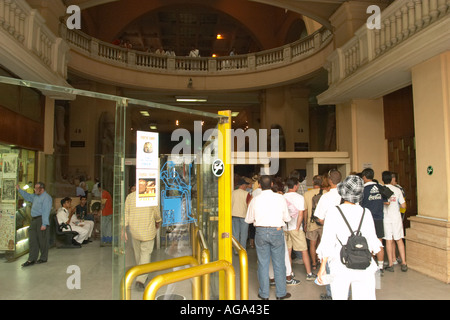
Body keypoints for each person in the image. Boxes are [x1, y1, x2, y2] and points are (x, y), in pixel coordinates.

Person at [317, 175, 382, 300]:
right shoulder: (366, 212)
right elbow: (373, 244)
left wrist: (322, 267)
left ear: (342, 192)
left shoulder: (334, 212)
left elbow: (328, 242)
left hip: (340, 263)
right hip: (364, 264)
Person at [245, 175, 291, 300]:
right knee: (279, 263)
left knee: (263, 263)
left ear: (259, 185)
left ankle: (264, 294)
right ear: (272, 184)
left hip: (260, 232)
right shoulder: (280, 198)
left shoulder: (255, 199)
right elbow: (287, 218)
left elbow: (248, 219)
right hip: (276, 231)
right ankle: (281, 293)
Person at [313, 169, 342, 300]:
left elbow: (320, 218)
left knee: (329, 262)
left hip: (330, 233)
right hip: (345, 234)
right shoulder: (346, 195)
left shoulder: (325, 197)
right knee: (343, 263)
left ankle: (331, 294)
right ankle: (344, 293)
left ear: (329, 181)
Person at [124, 190, 162, 290]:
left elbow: (126, 213)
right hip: (147, 230)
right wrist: (158, 220)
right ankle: (140, 280)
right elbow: (156, 212)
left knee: (138, 253)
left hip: (135, 230)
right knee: (145, 253)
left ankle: (141, 273)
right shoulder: (151, 196)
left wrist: (124, 227)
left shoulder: (130, 197)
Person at [283, 177, 315, 281]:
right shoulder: (299, 197)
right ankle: (309, 273)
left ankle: (290, 273)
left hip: (285, 228)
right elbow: (301, 213)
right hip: (296, 228)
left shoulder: (282, 197)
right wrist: (298, 227)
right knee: (304, 250)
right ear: (296, 186)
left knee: (288, 251)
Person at [17, 182, 52, 267]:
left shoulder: (46, 198)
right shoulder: (35, 196)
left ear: (42, 189)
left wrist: (44, 224)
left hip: (41, 219)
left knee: (42, 240)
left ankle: (43, 258)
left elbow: (46, 211)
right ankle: (31, 259)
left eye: (36, 188)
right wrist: (19, 189)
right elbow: (28, 196)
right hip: (34, 220)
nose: (35, 190)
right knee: (33, 240)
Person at [361, 168, 387, 273]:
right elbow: (388, 201)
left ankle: (371, 264)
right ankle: (380, 267)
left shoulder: (362, 189)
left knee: (367, 241)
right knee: (379, 242)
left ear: (364, 177)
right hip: (379, 218)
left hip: (368, 219)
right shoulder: (381, 187)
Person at [381, 171, 408, 272]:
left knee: (388, 240)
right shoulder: (397, 190)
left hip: (386, 218)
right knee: (399, 239)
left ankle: (391, 264)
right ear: (391, 179)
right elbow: (403, 205)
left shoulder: (382, 190)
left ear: (383, 179)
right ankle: (404, 263)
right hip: (396, 218)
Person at [303, 175, 326, 270]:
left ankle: (313, 263)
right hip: (324, 222)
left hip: (311, 222)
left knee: (312, 243)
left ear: (313, 182)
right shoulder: (326, 193)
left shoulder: (307, 194)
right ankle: (322, 262)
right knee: (322, 242)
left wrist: (305, 223)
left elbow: (305, 210)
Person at [232, 178, 251, 250]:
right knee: (244, 234)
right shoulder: (246, 194)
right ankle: (242, 250)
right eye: (246, 186)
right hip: (244, 215)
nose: (246, 187)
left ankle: (236, 250)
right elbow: (249, 204)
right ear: (243, 185)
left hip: (234, 215)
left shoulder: (232, 193)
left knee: (235, 233)